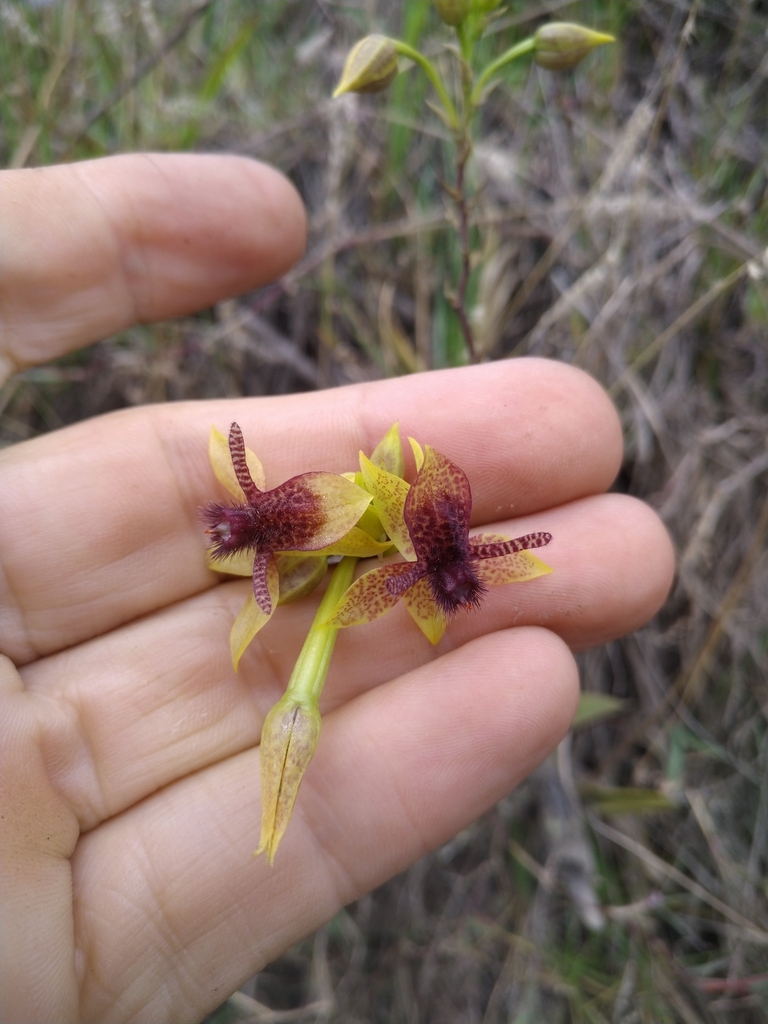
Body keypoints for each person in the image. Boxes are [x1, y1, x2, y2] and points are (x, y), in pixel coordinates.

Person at [0, 153, 674, 1024]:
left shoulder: (402, 571)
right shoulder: (333, 555)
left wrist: (398, 553)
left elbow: (401, 555)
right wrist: (286, 542)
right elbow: (329, 537)